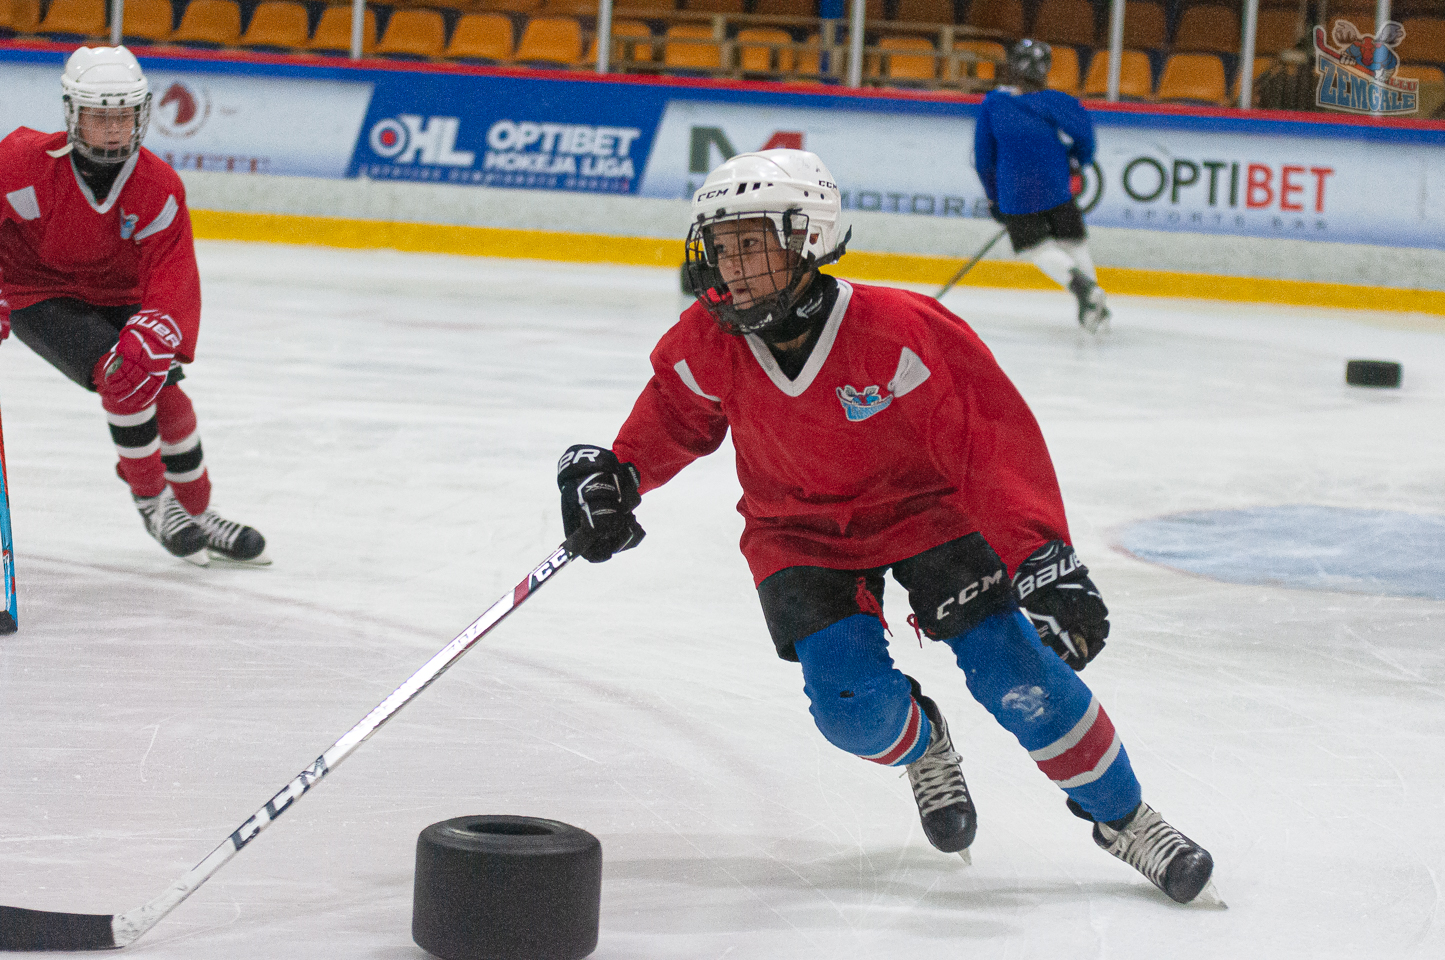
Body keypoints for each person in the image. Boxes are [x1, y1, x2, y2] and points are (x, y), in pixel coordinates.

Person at [555, 148, 1216, 904]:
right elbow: (675, 416)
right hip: (797, 534)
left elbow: (988, 443)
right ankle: (925, 745)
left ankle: (1126, 820)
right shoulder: (708, 341)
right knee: (854, 714)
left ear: (808, 238)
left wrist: (1043, 558)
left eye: (751, 243)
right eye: (722, 245)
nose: (732, 266)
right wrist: (616, 476)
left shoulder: (901, 329)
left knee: (1019, 676)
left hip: (928, 515)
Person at [0, 46, 266, 566]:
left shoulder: (157, 186)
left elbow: (172, 271)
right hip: (36, 290)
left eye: (123, 116)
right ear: (73, 113)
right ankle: (152, 501)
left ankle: (198, 513)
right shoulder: (18, 162)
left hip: (120, 295)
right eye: (100, 117)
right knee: (120, 374)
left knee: (170, 399)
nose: (114, 129)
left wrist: (159, 325)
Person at [974, 39, 1111, 333]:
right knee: (1073, 242)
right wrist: (1076, 160)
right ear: (1046, 69)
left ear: (1013, 67)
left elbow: (984, 159)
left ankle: (1083, 289)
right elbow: (1086, 140)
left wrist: (994, 198)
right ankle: (1097, 308)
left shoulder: (995, 103)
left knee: (1036, 247)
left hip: (1015, 191)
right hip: (1057, 185)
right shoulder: (1061, 101)